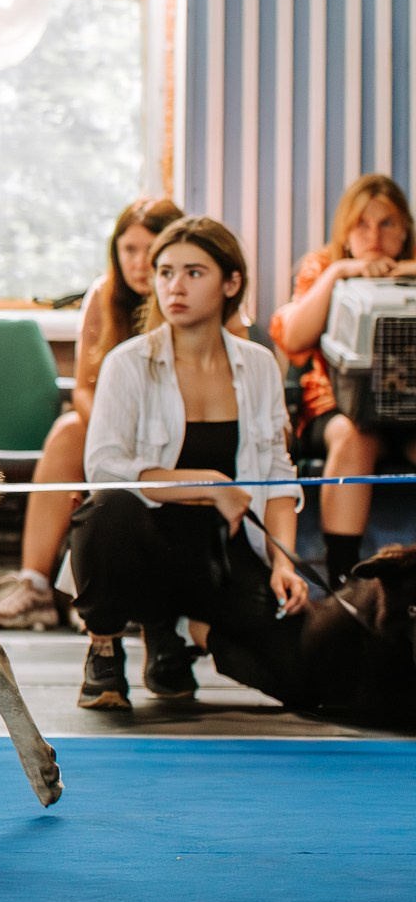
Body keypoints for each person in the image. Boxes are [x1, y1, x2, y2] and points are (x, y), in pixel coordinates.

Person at [72, 216, 310, 710]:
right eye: (165, 272)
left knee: (296, 676)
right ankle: (105, 645)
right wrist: (211, 483)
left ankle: (183, 630)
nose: (173, 287)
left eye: (193, 273)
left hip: (220, 555)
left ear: (231, 283)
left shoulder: (260, 364)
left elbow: (277, 477)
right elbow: (106, 468)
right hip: (147, 546)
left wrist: (283, 564)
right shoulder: (127, 362)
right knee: (106, 511)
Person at [0, 197, 185, 631]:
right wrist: (113, 434)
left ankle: (110, 592)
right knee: (68, 432)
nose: (138, 263)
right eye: (128, 250)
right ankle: (35, 585)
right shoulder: (104, 294)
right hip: (115, 428)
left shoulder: (191, 296)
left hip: (181, 432)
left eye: (150, 250)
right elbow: (85, 389)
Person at [269, 173, 416, 587]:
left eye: (386, 223)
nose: (374, 235)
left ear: (404, 229)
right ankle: (343, 578)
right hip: (339, 405)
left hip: (409, 409)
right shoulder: (323, 266)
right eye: (362, 224)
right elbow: (293, 337)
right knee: (354, 438)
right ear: (345, 232)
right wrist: (341, 273)